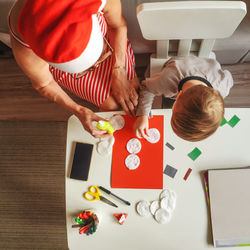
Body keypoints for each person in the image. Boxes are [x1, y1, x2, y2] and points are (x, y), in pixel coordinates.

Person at [9, 0, 139, 138]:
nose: (95, 66)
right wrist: (79, 110)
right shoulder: (23, 42)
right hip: (66, 68)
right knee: (110, 104)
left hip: (107, 39)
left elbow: (118, 26)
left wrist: (119, 70)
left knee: (131, 86)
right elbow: (44, 84)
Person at [134, 55, 233, 142]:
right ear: (178, 95)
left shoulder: (222, 87)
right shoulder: (167, 81)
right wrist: (143, 114)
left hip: (207, 66)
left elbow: (229, 77)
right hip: (178, 64)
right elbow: (146, 87)